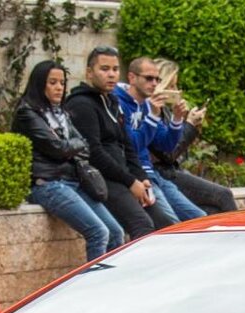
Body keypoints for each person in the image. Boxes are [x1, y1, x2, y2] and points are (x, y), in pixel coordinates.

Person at [12, 60, 123, 262]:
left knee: (116, 232)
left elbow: (85, 145)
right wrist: (71, 147)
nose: (59, 88)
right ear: (39, 84)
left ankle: (110, 284)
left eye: (62, 83)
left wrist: (70, 147)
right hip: (47, 184)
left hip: (73, 181)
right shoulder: (27, 113)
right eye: (52, 82)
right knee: (98, 232)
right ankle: (94, 289)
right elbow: (57, 148)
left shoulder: (61, 113)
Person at [64, 46, 176, 238]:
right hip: (103, 179)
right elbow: (94, 153)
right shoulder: (81, 104)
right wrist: (131, 181)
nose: (111, 74)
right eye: (104, 69)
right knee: (143, 227)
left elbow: (128, 146)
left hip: (125, 177)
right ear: (89, 72)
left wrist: (141, 177)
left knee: (166, 227)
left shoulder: (112, 102)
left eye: (115, 69)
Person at [113, 56, 206, 222]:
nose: (154, 84)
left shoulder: (148, 105)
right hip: (137, 176)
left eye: (157, 79)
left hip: (153, 175)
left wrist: (177, 119)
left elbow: (167, 145)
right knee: (172, 226)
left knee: (200, 219)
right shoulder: (118, 103)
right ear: (132, 78)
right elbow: (131, 146)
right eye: (149, 78)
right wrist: (153, 117)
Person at [149, 59, 237, 215]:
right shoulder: (151, 111)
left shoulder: (167, 111)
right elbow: (169, 154)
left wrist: (189, 124)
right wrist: (189, 125)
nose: (176, 91)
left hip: (171, 171)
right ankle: (240, 237)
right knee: (224, 195)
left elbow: (178, 148)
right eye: (171, 86)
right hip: (162, 174)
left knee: (212, 211)